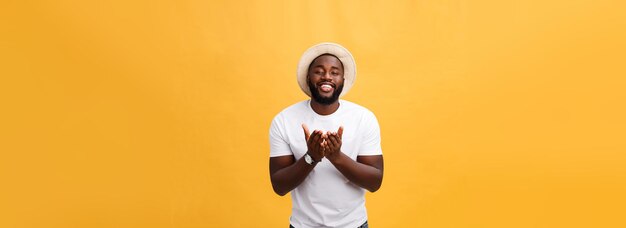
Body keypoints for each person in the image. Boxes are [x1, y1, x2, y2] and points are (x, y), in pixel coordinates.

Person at [269, 42, 384, 228]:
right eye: (319, 71)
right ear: (308, 77)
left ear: (343, 79)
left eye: (334, 72)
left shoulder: (364, 118)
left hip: (353, 225)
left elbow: (374, 182)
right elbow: (279, 186)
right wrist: (311, 157)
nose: (327, 77)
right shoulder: (284, 120)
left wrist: (337, 157)